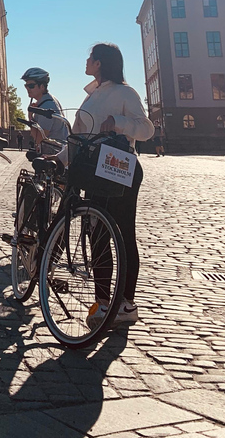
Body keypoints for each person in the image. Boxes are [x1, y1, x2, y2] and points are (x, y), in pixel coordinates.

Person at [60, 43, 154, 327]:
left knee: (123, 232)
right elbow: (77, 137)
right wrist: (59, 159)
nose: (86, 62)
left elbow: (146, 129)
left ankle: (126, 303)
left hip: (121, 166)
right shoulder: (91, 97)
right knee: (97, 232)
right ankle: (102, 302)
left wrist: (119, 122)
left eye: (90, 58)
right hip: (95, 169)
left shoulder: (124, 92)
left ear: (100, 63)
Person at [21, 67, 69, 155]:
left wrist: (30, 117)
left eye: (31, 86)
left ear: (42, 86)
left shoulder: (46, 107)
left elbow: (38, 138)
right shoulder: (49, 100)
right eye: (26, 85)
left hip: (54, 154)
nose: (27, 88)